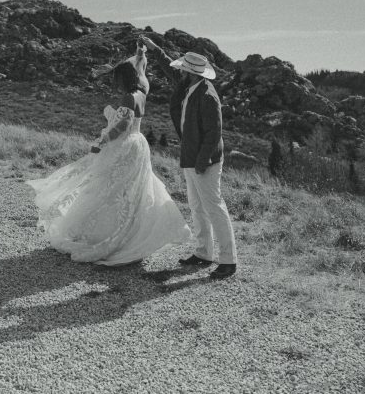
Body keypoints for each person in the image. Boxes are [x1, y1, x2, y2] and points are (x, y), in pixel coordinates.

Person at [26, 42, 190, 265]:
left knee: (107, 187)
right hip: (139, 144)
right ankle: (130, 234)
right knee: (130, 189)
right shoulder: (142, 91)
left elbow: (122, 125)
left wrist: (101, 141)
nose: (114, 84)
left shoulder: (128, 97)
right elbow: (139, 75)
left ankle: (102, 236)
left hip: (124, 145)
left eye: (115, 80)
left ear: (122, 80)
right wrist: (140, 54)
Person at [141, 36, 237, 280]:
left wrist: (203, 161)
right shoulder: (188, 85)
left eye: (183, 69)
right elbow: (167, 68)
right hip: (191, 155)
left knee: (214, 207)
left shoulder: (207, 95)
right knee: (197, 206)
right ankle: (204, 253)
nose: (180, 72)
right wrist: (154, 49)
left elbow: (214, 133)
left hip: (204, 159)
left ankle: (228, 260)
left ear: (191, 73)